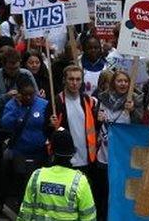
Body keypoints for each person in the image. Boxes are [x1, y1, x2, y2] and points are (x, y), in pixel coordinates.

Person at [0, 46, 37, 212]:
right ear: (3, 65)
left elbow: (36, 96)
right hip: (1, 128)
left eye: (16, 67)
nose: (14, 71)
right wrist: (6, 98)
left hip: (22, 128)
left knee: (22, 168)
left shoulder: (26, 75)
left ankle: (21, 200)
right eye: (10, 67)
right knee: (1, 168)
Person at [50, 65, 103, 218]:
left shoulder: (89, 101)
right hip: (65, 161)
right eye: (71, 79)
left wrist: (99, 121)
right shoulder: (57, 102)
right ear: (64, 81)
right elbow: (48, 132)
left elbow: (93, 129)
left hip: (87, 161)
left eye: (78, 79)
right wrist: (52, 126)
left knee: (84, 200)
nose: (74, 83)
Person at [17, 128, 96, 221]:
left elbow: (25, 214)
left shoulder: (37, 176)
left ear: (50, 150)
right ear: (72, 153)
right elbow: (89, 217)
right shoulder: (79, 181)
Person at [1, 75, 50, 194]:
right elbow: (6, 123)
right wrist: (17, 107)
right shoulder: (12, 105)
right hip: (20, 151)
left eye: (31, 94)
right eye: (25, 94)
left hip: (39, 152)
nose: (28, 97)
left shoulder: (43, 104)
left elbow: (50, 123)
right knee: (21, 181)